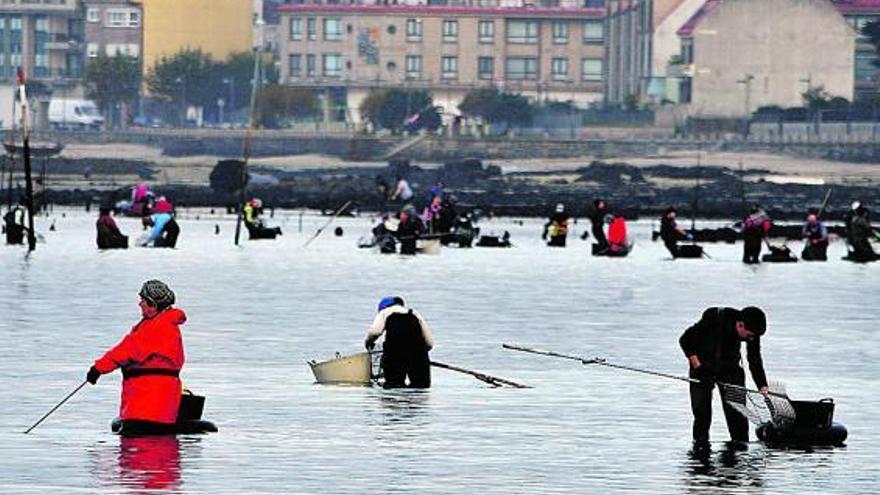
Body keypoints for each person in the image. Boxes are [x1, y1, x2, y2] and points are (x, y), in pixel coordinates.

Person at [86, 280, 186, 434]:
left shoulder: (158, 327)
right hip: (158, 408)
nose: (140, 304)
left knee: (137, 453)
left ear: (154, 304)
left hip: (146, 407)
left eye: (144, 301)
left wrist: (98, 369)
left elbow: (126, 350)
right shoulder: (165, 324)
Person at [679, 307, 769, 448]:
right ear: (740, 325)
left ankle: (739, 451)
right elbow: (685, 340)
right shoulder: (713, 318)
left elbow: (754, 359)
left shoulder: (752, 332)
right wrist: (698, 366)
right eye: (750, 335)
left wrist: (762, 385)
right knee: (702, 414)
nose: (751, 339)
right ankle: (700, 450)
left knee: (738, 416)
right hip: (702, 366)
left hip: (730, 368)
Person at [365, 296, 433, 389]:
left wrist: (368, 343)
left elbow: (375, 332)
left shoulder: (384, 312)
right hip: (418, 353)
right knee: (421, 385)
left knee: (394, 384)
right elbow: (429, 342)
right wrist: (422, 355)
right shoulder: (414, 313)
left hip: (395, 353)